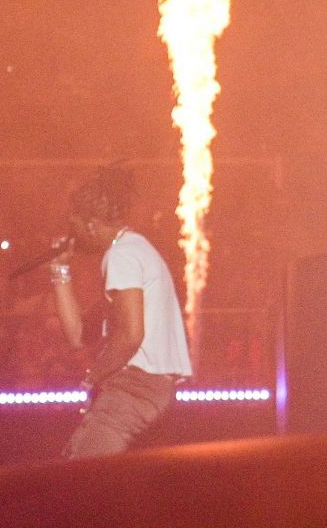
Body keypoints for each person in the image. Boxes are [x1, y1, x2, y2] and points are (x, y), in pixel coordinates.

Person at [48, 165, 193, 456]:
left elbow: (130, 335)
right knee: (85, 470)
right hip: (142, 388)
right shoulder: (132, 251)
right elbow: (78, 335)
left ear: (90, 224)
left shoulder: (122, 255)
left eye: (74, 225)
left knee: (80, 476)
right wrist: (59, 269)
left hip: (135, 386)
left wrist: (94, 375)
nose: (72, 234)